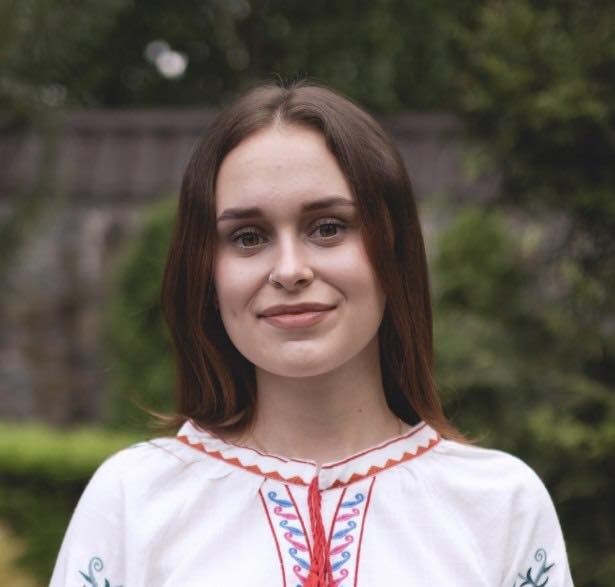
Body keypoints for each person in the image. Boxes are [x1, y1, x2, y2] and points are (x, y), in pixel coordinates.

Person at [50, 80, 574, 586]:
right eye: (248, 237)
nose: (289, 270)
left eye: (328, 227)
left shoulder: (500, 506)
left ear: (393, 249)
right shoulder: (133, 502)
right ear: (205, 271)